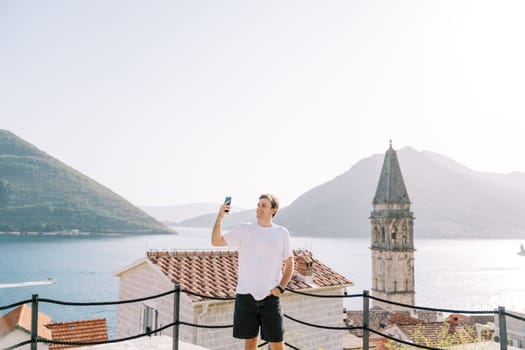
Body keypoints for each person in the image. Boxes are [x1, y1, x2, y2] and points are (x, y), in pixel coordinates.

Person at [211, 193, 294, 350]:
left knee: (277, 345)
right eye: (258, 204)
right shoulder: (245, 229)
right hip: (245, 296)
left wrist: (280, 288)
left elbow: (290, 264)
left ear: (273, 210)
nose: (259, 208)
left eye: (264, 205)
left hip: (270, 297)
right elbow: (216, 241)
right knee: (249, 345)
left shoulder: (282, 233)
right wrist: (220, 217)